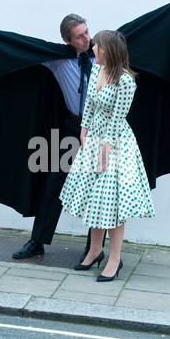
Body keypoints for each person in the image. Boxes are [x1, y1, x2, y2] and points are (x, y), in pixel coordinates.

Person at [59, 30, 155, 282]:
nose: (92, 48)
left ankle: (114, 259)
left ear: (107, 50)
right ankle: (94, 251)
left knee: (111, 203)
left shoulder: (126, 81)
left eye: (96, 45)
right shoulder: (96, 70)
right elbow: (89, 104)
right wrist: (83, 131)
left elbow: (117, 119)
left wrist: (104, 150)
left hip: (115, 144)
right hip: (93, 138)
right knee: (94, 197)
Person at [12, 14, 106, 261]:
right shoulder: (58, 60)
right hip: (74, 129)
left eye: (87, 32)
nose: (87, 38)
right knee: (54, 183)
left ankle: (93, 249)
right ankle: (38, 241)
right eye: (80, 36)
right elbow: (24, 51)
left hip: (101, 132)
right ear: (67, 41)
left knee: (100, 189)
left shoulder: (103, 55)